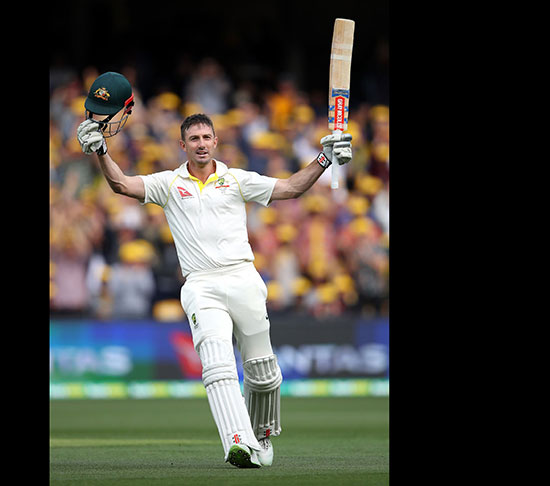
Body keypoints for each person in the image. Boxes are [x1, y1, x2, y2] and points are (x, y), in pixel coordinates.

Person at [76, 71, 351, 468]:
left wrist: (326, 158)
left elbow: (291, 187)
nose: (201, 145)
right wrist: (101, 150)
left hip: (243, 278)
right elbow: (120, 184)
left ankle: (261, 435)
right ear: (182, 145)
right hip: (201, 285)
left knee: (263, 373)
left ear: (216, 142)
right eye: (194, 140)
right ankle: (237, 442)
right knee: (218, 364)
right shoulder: (168, 183)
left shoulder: (237, 179)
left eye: (207, 138)